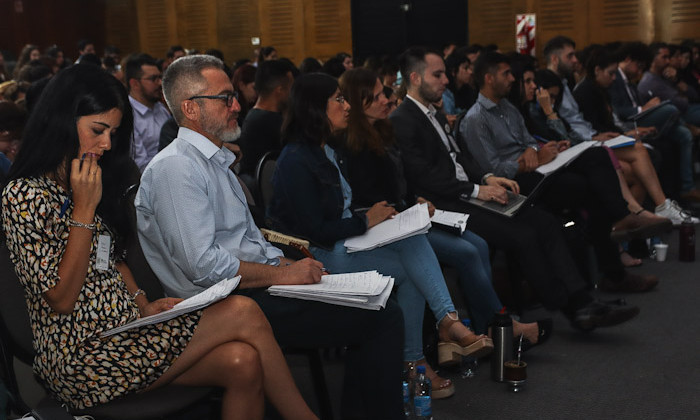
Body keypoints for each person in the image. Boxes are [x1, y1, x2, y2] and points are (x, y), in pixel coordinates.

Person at [1, 64, 318, 419]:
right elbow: (60, 298)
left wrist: (141, 304)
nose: (106, 143)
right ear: (61, 122)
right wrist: (84, 211)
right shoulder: (24, 194)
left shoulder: (85, 176)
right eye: (97, 130)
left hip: (125, 331)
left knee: (241, 362)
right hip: (81, 357)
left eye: (113, 132)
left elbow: (111, 258)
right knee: (243, 311)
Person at [135, 55, 405, 418]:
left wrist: (284, 261)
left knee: (377, 302)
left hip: (255, 287)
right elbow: (203, 267)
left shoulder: (211, 160)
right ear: (191, 108)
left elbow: (247, 239)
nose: (237, 105)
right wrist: (283, 274)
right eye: (225, 98)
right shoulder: (176, 169)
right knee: (382, 316)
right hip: (222, 305)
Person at [268, 72, 494, 400]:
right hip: (316, 256)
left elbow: (342, 212)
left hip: (343, 242)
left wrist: (373, 218)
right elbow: (315, 231)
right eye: (339, 100)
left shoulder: (325, 150)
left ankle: (432, 341)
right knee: (415, 268)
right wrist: (366, 221)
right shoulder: (296, 159)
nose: (347, 107)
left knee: (413, 240)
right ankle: (436, 337)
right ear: (315, 108)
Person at [390, 46, 641, 329]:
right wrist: (476, 190)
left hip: (466, 192)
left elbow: (459, 157)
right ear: (414, 78)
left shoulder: (431, 112)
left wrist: (486, 178)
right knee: (523, 236)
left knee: (545, 222)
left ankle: (582, 301)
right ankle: (572, 306)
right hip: (446, 205)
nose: (445, 81)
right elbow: (424, 177)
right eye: (437, 75)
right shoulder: (402, 120)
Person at [339, 67, 548, 344]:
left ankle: (490, 324)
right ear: (358, 100)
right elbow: (369, 198)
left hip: (405, 216)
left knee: (480, 244)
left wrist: (415, 201)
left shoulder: (382, 129)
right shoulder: (350, 144)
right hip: (382, 226)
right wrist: (408, 206)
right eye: (376, 97)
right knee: (467, 252)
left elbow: (402, 182)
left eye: (383, 95)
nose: (386, 101)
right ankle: (502, 326)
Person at [125, 53, 170, 171]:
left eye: (160, 77)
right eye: (153, 79)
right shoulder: (127, 115)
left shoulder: (160, 107)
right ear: (134, 84)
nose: (160, 83)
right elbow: (140, 165)